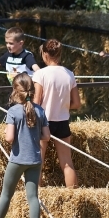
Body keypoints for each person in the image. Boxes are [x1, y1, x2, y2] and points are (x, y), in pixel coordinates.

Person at [0, 73, 50, 218]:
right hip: (35, 160)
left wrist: (8, 130)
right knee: (33, 197)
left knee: (6, 194)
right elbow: (46, 136)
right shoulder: (40, 110)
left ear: (15, 91)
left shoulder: (13, 111)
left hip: (18, 160)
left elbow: (9, 138)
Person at [33, 39, 81, 188]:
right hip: (62, 122)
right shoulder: (69, 74)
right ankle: (74, 196)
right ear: (60, 54)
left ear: (45, 54)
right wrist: (62, 106)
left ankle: (35, 197)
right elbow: (77, 104)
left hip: (43, 122)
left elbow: (36, 101)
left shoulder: (40, 74)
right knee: (67, 163)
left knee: (37, 162)